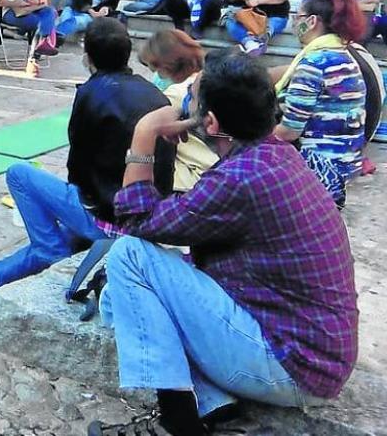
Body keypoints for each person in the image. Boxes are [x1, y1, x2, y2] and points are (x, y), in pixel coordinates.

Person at [86, 51, 357, 436]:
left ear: (209, 122)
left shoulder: (242, 177)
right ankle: (215, 406)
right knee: (121, 298)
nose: (185, 106)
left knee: (129, 258)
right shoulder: (273, 156)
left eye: (192, 100)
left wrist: (143, 135)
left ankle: (177, 423)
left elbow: (137, 222)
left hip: (293, 367)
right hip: (313, 353)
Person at [0, 18, 174, 295]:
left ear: (87, 57)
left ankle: (48, 250)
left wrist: (73, 206)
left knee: (19, 175)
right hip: (149, 214)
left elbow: (78, 168)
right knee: (62, 233)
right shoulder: (154, 93)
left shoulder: (92, 93)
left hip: (110, 215)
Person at [275, 0, 367, 206]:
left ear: (312, 21)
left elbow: (290, 130)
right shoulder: (345, 56)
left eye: (297, 17)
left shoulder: (314, 62)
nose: (294, 23)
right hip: (346, 164)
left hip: (319, 169)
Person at [137, 29, 216, 191]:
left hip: (197, 176)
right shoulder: (213, 78)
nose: (157, 75)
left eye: (157, 69)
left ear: (167, 67)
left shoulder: (176, 94)